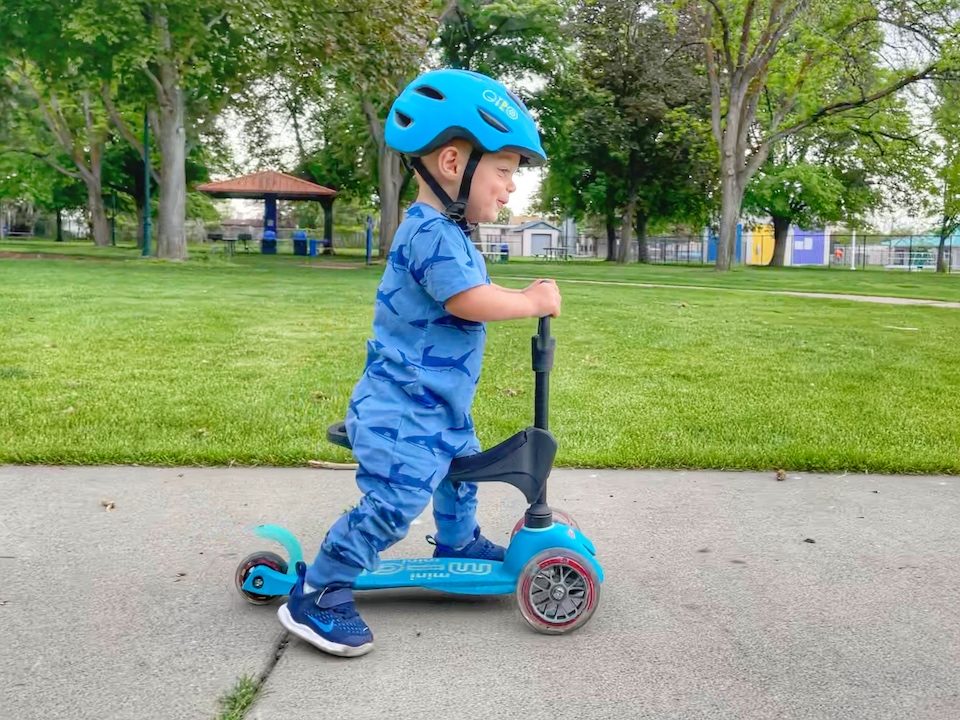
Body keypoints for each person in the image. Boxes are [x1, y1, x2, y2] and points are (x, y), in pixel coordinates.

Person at [277, 68, 562, 657]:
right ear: (455, 165)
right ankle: (319, 591)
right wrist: (530, 301)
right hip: (402, 409)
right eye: (505, 171)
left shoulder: (449, 233)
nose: (510, 188)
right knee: (395, 502)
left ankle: (457, 542)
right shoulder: (430, 232)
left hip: (437, 403)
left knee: (461, 472)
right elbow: (466, 300)